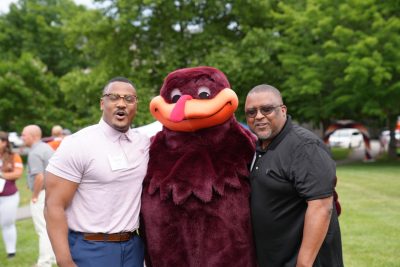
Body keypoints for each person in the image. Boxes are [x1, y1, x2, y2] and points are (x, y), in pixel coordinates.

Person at [44, 77, 150, 267]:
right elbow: (53, 205)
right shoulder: (78, 144)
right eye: (114, 97)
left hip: (133, 248)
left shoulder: (143, 144)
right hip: (91, 249)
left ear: (136, 105)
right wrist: (65, 262)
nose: (121, 104)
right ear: (102, 103)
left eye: (129, 99)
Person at [245, 84, 343, 267]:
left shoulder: (304, 146)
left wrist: (303, 264)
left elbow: (321, 207)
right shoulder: (261, 146)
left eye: (266, 109)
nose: (258, 116)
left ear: (282, 110)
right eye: (251, 112)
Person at [21, 125, 56, 267]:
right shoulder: (46, 147)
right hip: (52, 192)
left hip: (42, 194)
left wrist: (34, 196)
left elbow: (40, 178)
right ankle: (53, 258)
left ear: (32, 135)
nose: (22, 137)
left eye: (24, 135)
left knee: (43, 229)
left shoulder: (35, 152)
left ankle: (44, 262)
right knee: (50, 227)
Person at [0, 131, 24, 259]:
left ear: (4, 143)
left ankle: (11, 251)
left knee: (7, 223)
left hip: (8, 196)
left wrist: (2, 175)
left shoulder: (13, 156)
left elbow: (18, 173)